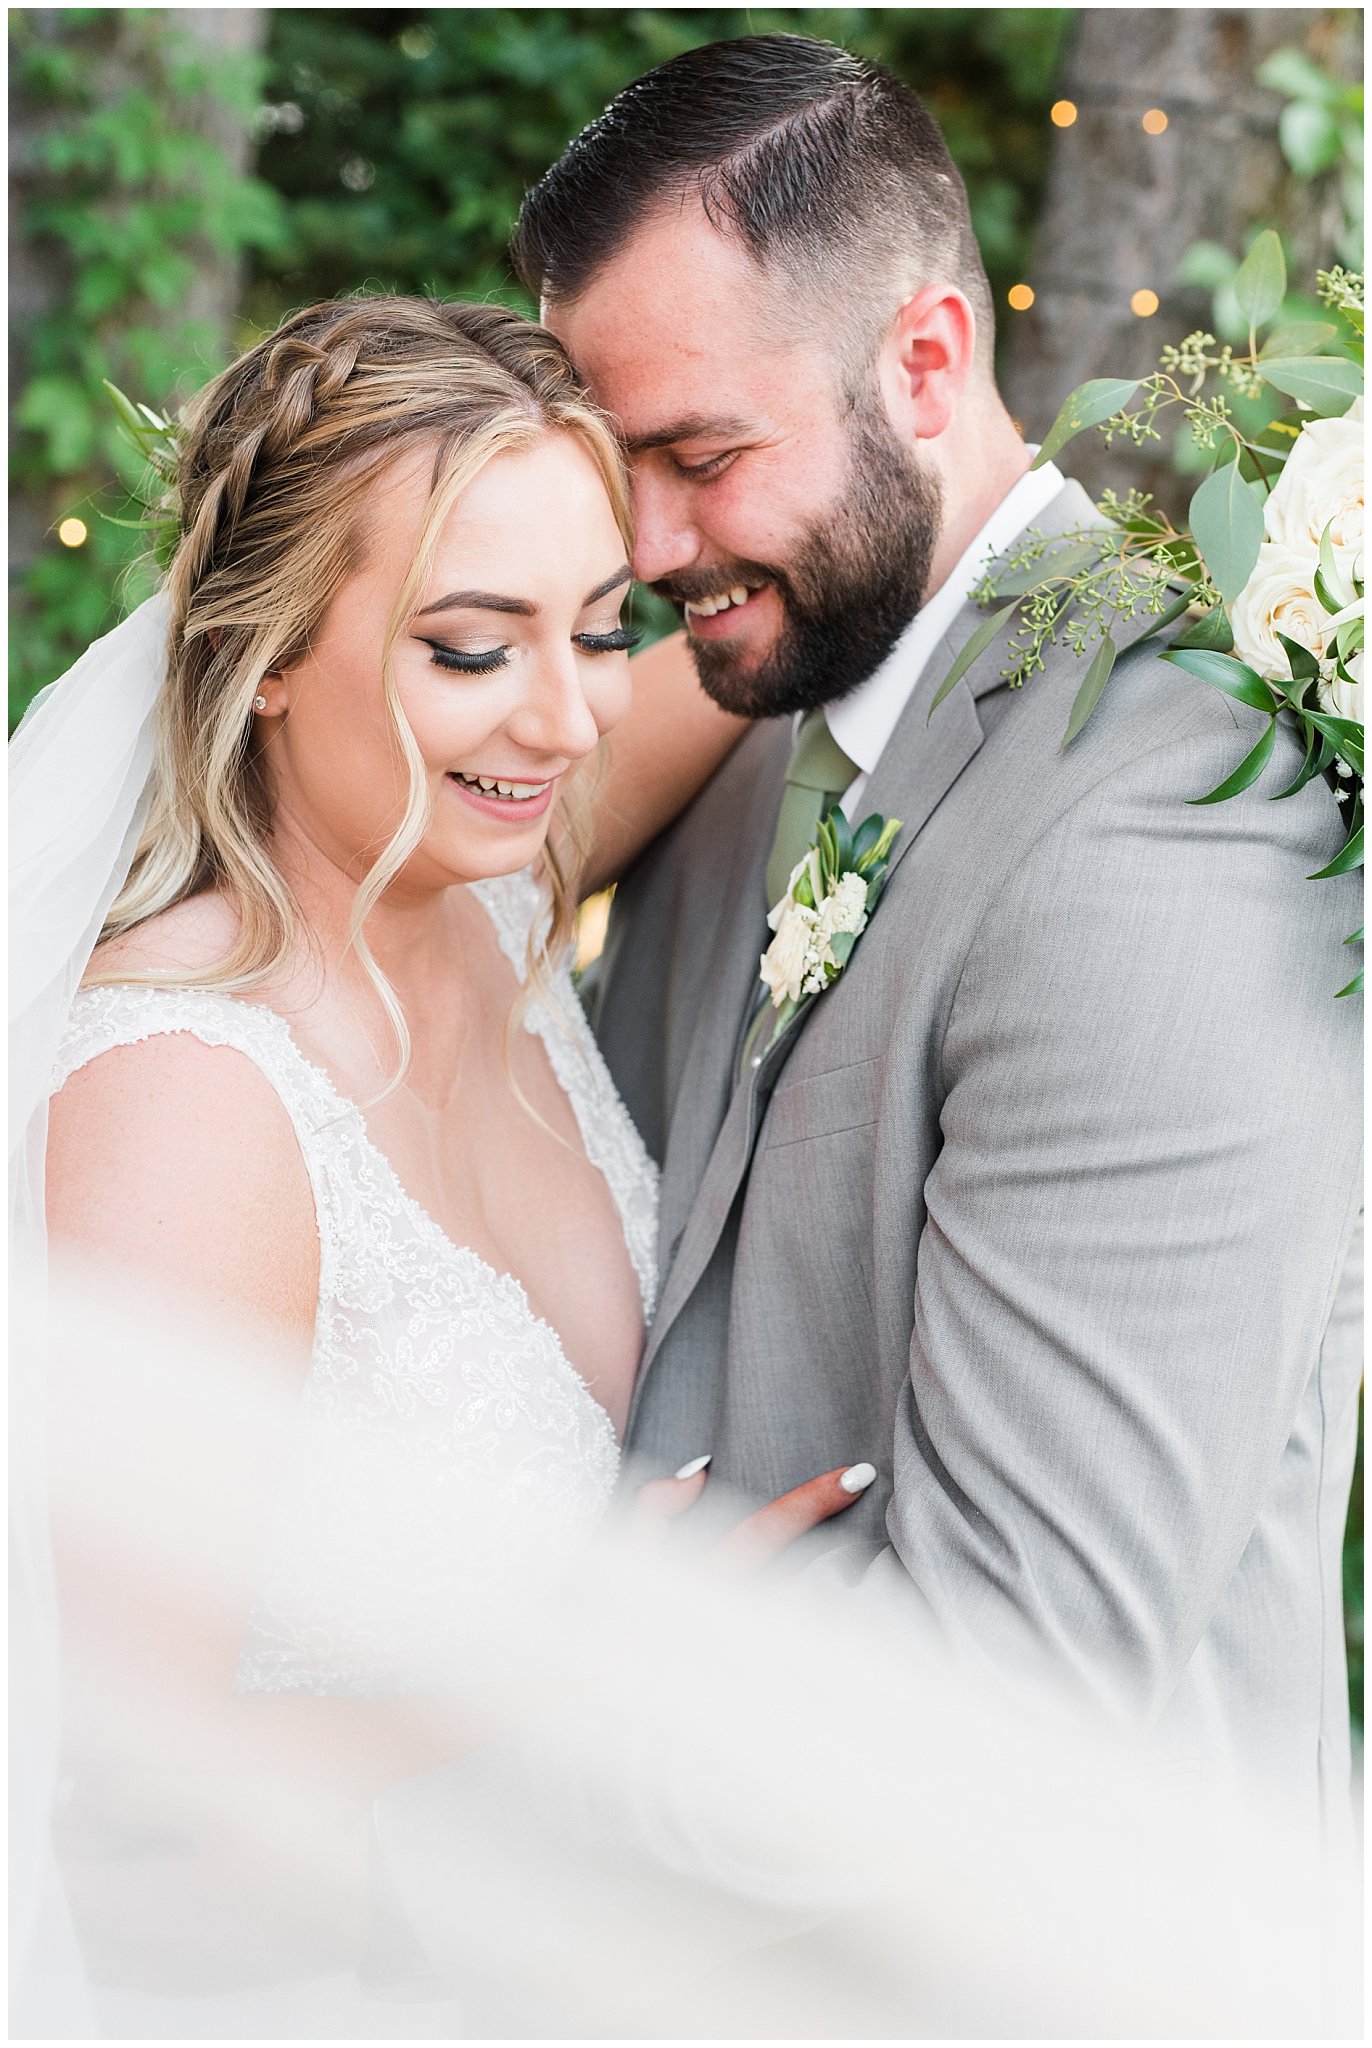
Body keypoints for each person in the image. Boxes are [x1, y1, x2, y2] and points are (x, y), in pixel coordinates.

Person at [510, 33, 1364, 1811]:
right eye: (618, 466)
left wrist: (501, 1772)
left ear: (924, 361)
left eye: (702, 453)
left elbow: (1010, 1706)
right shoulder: (741, 727)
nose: (651, 545)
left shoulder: (1171, 825)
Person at [13, 293, 874, 2015]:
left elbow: (819, 601)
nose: (564, 723)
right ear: (256, 658)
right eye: (471, 647)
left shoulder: (483, 876)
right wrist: (592, 1665)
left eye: (603, 625)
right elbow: (126, 1838)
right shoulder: (192, 1104)